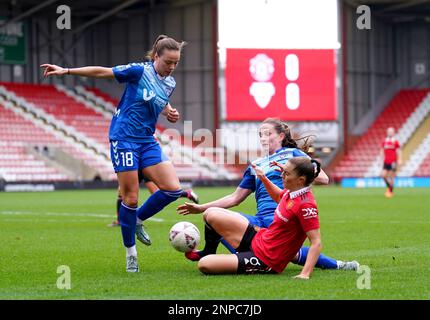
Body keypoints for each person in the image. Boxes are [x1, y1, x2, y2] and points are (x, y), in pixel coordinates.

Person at [42, 34, 188, 273]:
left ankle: (138, 220)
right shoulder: (138, 72)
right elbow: (103, 72)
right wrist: (66, 70)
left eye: (176, 63)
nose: (172, 67)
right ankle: (131, 254)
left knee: (173, 189)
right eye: (168, 62)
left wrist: (169, 112)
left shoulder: (170, 83)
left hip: (147, 140)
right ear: (156, 57)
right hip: (124, 139)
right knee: (130, 198)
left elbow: (157, 101)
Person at [178, 118, 358, 271]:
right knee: (213, 216)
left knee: (291, 253)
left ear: (280, 136)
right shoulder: (256, 164)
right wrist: (201, 207)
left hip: (281, 219)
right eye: (260, 134)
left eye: (267, 133)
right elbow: (235, 198)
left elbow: (323, 179)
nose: (263, 138)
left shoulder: (293, 155)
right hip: (259, 220)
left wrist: (294, 171)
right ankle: (221, 254)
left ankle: (337, 265)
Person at [185, 157, 329, 278]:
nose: (281, 176)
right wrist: (262, 177)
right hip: (261, 238)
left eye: (286, 173)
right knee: (211, 213)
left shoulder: (306, 205)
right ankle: (214, 251)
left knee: (204, 264)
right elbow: (279, 196)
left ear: (300, 180)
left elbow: (316, 242)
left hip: (267, 259)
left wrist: (305, 274)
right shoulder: (292, 192)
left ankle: (241, 257)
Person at [108, 169, 199, 228]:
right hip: (134, 166)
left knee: (156, 194)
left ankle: (186, 193)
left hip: (144, 166)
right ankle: (120, 221)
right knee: (122, 192)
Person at [381, 127, 401, 198]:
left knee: (391, 176)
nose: (390, 133)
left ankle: (390, 191)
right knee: (383, 175)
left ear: (393, 133)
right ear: (387, 133)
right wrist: (381, 158)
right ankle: (389, 187)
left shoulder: (395, 141)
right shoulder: (384, 141)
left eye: (391, 132)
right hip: (386, 161)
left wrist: (399, 160)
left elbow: (398, 151)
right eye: (389, 132)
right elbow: (382, 150)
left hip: (393, 161)